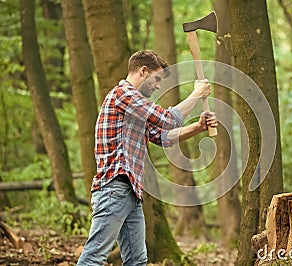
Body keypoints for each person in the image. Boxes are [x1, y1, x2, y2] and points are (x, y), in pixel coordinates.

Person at [77, 50, 217, 265]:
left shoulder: (135, 105)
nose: (158, 85)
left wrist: (198, 127)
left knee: (137, 260)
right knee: (93, 257)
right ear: (143, 71)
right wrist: (196, 94)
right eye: (157, 79)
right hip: (114, 188)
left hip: (131, 192)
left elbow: (163, 137)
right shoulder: (123, 95)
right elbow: (168, 119)